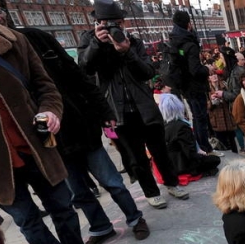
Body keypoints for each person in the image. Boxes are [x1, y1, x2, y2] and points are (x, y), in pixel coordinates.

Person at [0, 2, 114, 244]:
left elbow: (44, 86)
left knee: (63, 208)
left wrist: (51, 111)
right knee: (29, 223)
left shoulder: (15, 41)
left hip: (35, 146)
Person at [79, 0, 188, 208]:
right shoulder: (89, 41)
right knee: (137, 157)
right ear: (98, 23)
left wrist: (126, 51)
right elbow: (85, 69)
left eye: (117, 23)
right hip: (118, 111)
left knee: (160, 150)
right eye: (108, 23)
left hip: (144, 107)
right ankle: (151, 191)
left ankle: (172, 183)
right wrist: (97, 44)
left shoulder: (133, 42)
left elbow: (147, 72)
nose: (113, 28)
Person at [169, 10, 213, 154]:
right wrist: (207, 69)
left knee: (196, 116)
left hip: (185, 86)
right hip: (195, 86)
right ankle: (205, 147)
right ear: (188, 24)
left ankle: (201, 146)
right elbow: (195, 69)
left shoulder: (176, 41)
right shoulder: (190, 44)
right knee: (201, 118)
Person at [160, 94, 221, 178]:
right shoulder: (181, 126)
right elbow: (190, 153)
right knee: (215, 159)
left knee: (205, 151)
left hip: (172, 163)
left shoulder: (164, 125)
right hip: (182, 165)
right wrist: (202, 157)